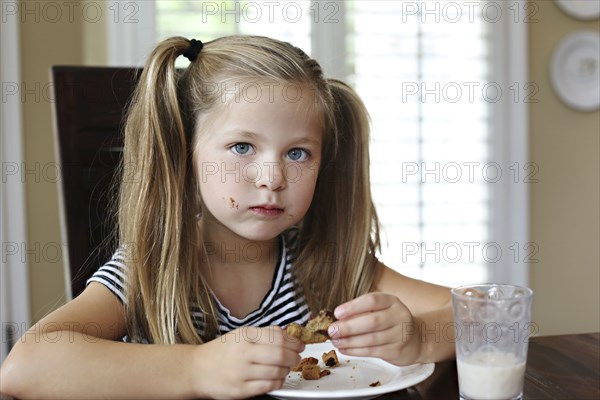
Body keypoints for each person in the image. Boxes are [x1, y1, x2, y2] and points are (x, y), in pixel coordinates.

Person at [0, 35, 455, 399]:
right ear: (186, 153)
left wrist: (419, 336)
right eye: (242, 147)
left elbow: (491, 315)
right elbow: (25, 367)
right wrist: (197, 370)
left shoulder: (327, 263)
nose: (272, 177)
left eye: (298, 152)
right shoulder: (151, 270)